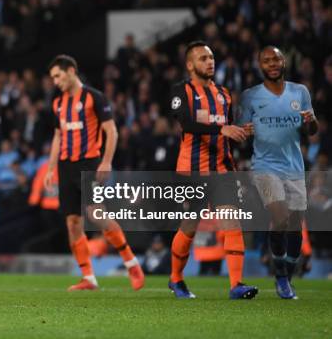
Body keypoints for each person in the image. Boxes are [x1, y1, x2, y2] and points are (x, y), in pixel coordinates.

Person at [44, 54, 145, 291]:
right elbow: (58, 136)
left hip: (89, 162)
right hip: (66, 166)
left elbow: (112, 132)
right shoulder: (58, 103)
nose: (55, 81)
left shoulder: (94, 98)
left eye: (58, 75)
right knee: (72, 222)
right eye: (52, 78)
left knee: (97, 214)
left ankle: (131, 263)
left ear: (71, 71)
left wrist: (106, 162)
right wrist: (50, 168)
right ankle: (89, 277)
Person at [168, 41, 258, 299]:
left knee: (232, 222)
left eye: (211, 57)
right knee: (190, 226)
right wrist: (223, 129)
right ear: (190, 65)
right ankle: (176, 279)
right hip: (191, 170)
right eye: (202, 58)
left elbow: (225, 129)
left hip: (222, 169)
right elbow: (186, 122)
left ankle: (236, 285)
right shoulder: (180, 91)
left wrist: (239, 131)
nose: (209, 62)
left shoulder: (224, 94)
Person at [238, 46, 318, 299]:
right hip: (264, 167)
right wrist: (244, 131)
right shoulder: (250, 96)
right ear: (259, 65)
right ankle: (280, 276)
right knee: (280, 217)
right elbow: (240, 131)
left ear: (283, 62)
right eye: (266, 60)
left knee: (295, 224)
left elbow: (311, 130)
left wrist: (310, 122)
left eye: (276, 59)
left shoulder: (300, 92)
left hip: (294, 167)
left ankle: (288, 275)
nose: (271, 63)